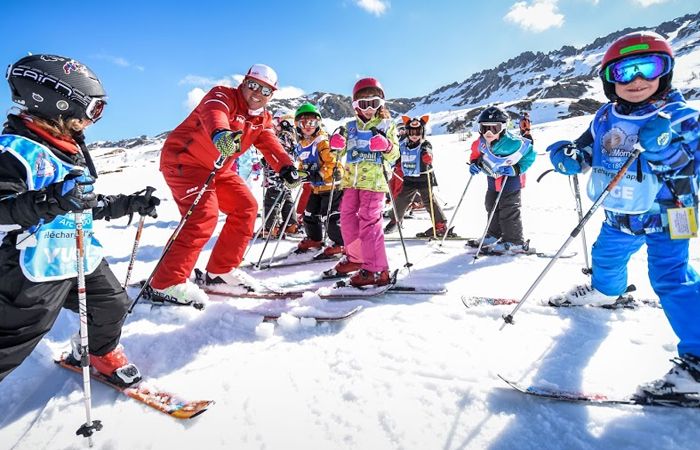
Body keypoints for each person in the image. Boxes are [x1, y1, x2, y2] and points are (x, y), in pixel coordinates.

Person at [547, 31, 700, 397]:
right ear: (608, 80)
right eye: (623, 72)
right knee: (605, 257)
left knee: (671, 278)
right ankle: (605, 293)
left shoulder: (681, 117)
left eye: (648, 67)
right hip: (619, 213)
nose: (636, 80)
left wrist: (666, 152)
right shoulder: (604, 115)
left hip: (672, 215)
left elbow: (693, 167)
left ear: (666, 72)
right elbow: (588, 149)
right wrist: (569, 156)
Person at [0, 54, 160, 386]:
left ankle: (97, 353)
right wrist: (52, 200)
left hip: (77, 255)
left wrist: (130, 203)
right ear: (58, 104)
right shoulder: (13, 151)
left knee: (113, 305)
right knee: (11, 343)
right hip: (31, 265)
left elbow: (84, 204)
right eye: (91, 111)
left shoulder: (66, 148)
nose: (92, 121)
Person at [151, 64, 298, 300]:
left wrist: (286, 167)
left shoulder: (262, 118)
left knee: (246, 207)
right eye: (253, 85)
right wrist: (221, 133)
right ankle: (165, 283)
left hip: (217, 170)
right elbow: (214, 113)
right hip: (184, 162)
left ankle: (221, 270)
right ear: (244, 83)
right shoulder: (223, 95)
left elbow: (270, 142)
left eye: (266, 90)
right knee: (202, 217)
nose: (258, 93)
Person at [326, 78, 399, 286]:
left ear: (381, 104)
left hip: (374, 182)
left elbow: (394, 154)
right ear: (355, 105)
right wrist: (337, 145)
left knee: (369, 221)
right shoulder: (349, 127)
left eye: (373, 103)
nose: (368, 109)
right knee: (347, 218)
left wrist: (385, 146)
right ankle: (356, 258)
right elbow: (340, 151)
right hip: (351, 181)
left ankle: (377, 270)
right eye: (363, 104)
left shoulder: (387, 125)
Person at [469, 106, 535, 253]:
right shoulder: (480, 142)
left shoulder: (514, 143)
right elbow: (475, 154)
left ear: (503, 127)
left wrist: (516, 169)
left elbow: (530, 156)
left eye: (494, 128)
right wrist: (474, 164)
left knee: (508, 209)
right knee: (490, 204)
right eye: (484, 128)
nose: (488, 132)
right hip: (492, 178)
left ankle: (514, 240)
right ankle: (494, 234)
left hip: (511, 180)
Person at [293, 103, 345, 256]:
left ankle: (341, 243)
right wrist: (299, 175)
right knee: (309, 214)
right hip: (316, 187)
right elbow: (303, 163)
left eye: (312, 122)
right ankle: (315, 238)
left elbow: (332, 162)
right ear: (298, 125)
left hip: (331, 186)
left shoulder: (322, 141)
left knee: (330, 217)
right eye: (303, 122)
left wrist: (321, 174)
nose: (308, 126)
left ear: (318, 123)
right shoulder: (302, 144)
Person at [384, 115, 449, 237]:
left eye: (418, 132)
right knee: (401, 200)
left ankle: (440, 225)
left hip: (424, 178)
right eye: (411, 132)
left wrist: (427, 156)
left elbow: (428, 151)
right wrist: (395, 162)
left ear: (422, 132)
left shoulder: (424, 144)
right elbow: (398, 157)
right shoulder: (403, 145)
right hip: (408, 179)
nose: (414, 135)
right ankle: (395, 221)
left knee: (429, 201)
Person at [260, 108, 301, 238]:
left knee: (272, 198)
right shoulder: (292, 135)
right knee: (286, 196)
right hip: (286, 173)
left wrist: (267, 160)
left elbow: (276, 151)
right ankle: (291, 224)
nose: (275, 127)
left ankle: (270, 227)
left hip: (277, 172)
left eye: (277, 123)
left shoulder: (283, 136)